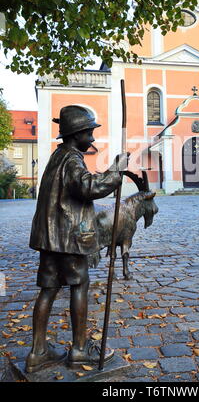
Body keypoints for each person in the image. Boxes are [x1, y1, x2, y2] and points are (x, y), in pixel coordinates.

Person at [25, 105, 129, 373]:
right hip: (68, 238)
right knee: (79, 286)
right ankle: (80, 350)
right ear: (77, 134)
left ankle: (38, 353)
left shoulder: (57, 156)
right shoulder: (71, 159)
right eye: (90, 133)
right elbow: (87, 187)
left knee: (48, 289)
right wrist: (115, 173)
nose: (92, 139)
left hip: (50, 239)